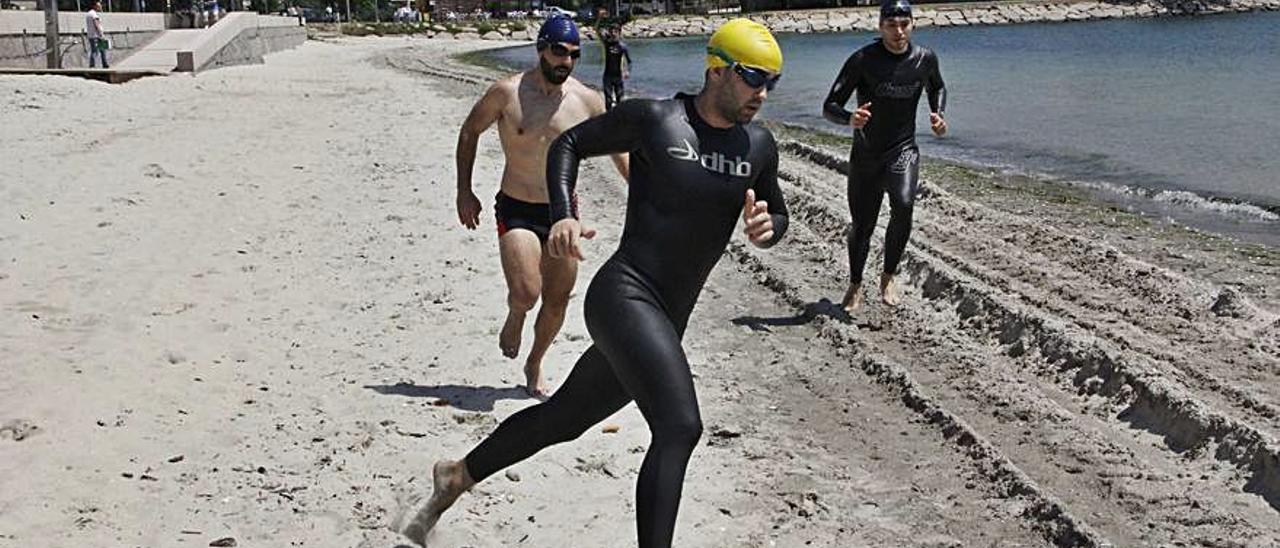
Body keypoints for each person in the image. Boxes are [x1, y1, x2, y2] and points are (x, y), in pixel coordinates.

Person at [395, 18, 789, 548]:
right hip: (625, 295)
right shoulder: (656, 119)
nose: (762, 92)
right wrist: (562, 215)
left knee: (563, 419)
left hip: (668, 316)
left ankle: (457, 475)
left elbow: (776, 211)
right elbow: (569, 147)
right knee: (679, 427)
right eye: (752, 77)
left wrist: (769, 228)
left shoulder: (759, 146)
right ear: (716, 69)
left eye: (772, 82)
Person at [453, 16, 628, 397]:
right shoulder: (507, 93)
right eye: (559, 51)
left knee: (557, 300)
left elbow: (619, 148)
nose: (566, 61)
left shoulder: (587, 101)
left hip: (563, 213)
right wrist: (464, 191)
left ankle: (535, 362)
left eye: (574, 55)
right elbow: (469, 132)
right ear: (541, 49)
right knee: (527, 292)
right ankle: (516, 314)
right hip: (516, 206)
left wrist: (646, 193)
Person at [822, 0, 947, 312]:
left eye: (904, 24)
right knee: (862, 226)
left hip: (902, 149)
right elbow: (830, 105)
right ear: (880, 27)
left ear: (912, 25)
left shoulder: (924, 59)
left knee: (903, 206)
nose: (898, 31)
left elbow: (938, 87)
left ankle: (888, 275)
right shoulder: (863, 60)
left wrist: (938, 113)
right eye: (891, 25)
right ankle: (855, 284)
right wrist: (850, 118)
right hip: (866, 155)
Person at [600, 24, 632, 111]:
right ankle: (609, 118)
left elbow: (629, 62)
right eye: (612, 31)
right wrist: (600, 18)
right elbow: (597, 29)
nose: (613, 33)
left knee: (620, 100)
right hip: (607, 76)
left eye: (616, 31)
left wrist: (628, 71)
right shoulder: (607, 44)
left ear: (619, 33)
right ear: (609, 33)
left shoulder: (623, 46)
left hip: (618, 76)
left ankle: (619, 119)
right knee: (608, 100)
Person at [85, 1, 108, 69]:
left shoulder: (88, 14)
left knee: (102, 49)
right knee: (95, 51)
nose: (100, 7)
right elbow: (96, 24)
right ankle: (93, 65)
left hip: (91, 35)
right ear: (95, 6)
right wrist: (101, 34)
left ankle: (105, 63)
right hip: (97, 35)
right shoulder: (94, 14)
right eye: (99, 6)